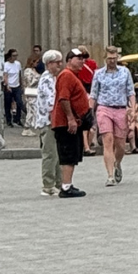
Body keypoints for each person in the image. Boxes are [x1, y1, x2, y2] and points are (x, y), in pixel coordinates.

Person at [89, 45, 133, 184]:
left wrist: (133, 107)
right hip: (104, 108)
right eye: (109, 58)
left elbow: (130, 91)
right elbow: (94, 94)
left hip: (120, 108)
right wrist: (89, 111)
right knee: (107, 140)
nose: (112, 61)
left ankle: (117, 163)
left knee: (120, 144)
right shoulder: (98, 74)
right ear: (105, 58)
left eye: (114, 58)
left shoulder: (125, 72)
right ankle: (110, 175)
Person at [52, 55, 92, 197]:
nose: (81, 61)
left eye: (83, 59)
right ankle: (66, 187)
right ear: (69, 61)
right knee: (68, 153)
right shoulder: (67, 75)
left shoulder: (72, 76)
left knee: (73, 153)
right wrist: (70, 119)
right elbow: (64, 98)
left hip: (72, 122)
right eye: (78, 58)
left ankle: (67, 184)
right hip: (66, 124)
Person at [31, 51, 61, 196]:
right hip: (49, 121)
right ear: (49, 64)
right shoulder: (47, 79)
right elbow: (51, 102)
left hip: (54, 120)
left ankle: (59, 182)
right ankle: (48, 185)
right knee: (50, 153)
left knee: (57, 153)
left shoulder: (54, 78)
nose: (60, 65)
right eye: (57, 62)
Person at [1, 48, 23, 128]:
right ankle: (9, 120)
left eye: (16, 56)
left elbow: (19, 74)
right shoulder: (6, 65)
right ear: (10, 56)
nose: (15, 57)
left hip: (17, 85)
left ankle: (17, 118)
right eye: (13, 56)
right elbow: (5, 76)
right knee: (8, 103)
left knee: (19, 102)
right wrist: (7, 85)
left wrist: (21, 85)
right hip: (9, 86)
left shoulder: (18, 64)